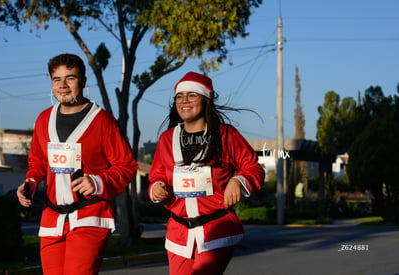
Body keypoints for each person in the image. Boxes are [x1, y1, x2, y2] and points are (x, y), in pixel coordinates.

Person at [16, 53, 138, 274]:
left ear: (83, 82)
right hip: (52, 217)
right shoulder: (44, 119)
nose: (63, 85)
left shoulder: (102, 121)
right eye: (57, 79)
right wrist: (31, 182)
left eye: (70, 78)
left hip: (89, 215)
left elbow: (126, 165)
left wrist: (98, 182)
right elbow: (38, 162)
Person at [148, 71, 265, 275]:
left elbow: (253, 168)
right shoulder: (167, 139)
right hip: (179, 233)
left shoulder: (226, 135)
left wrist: (238, 181)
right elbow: (157, 176)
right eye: (179, 96)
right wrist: (156, 187)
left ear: (206, 100)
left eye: (192, 95)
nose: (185, 101)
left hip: (216, 229)